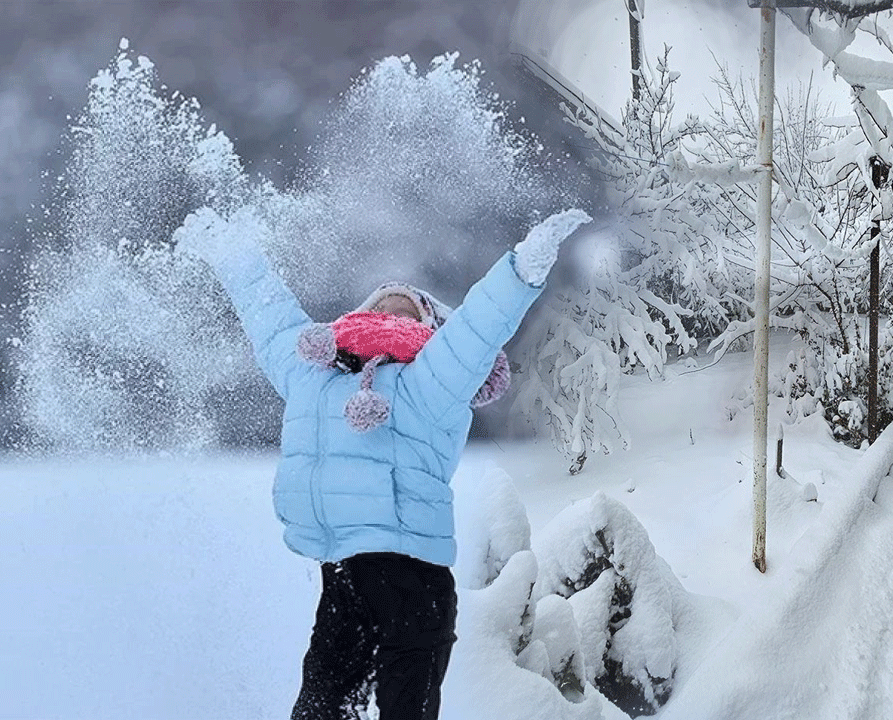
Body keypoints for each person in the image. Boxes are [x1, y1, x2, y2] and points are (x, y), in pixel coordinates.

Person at [173, 205, 591, 720]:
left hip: (414, 581)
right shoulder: (314, 378)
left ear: (433, 330)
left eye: (407, 312)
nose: (392, 316)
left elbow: (479, 328)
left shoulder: (433, 381)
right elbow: (271, 318)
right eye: (381, 308)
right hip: (344, 576)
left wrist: (522, 267)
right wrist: (233, 255)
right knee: (318, 709)